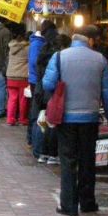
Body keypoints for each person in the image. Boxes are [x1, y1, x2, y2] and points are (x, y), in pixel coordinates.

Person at [42, 25, 108, 216]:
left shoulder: (59, 56)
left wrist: (59, 93)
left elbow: (48, 84)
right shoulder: (100, 60)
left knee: (67, 160)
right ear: (90, 40)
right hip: (90, 118)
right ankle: (87, 202)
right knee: (87, 160)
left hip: (66, 117)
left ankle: (68, 205)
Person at [34, 33, 72, 165]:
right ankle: (52, 154)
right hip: (54, 94)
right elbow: (51, 81)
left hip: (42, 93)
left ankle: (41, 152)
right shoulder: (58, 57)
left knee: (43, 123)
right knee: (53, 125)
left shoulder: (44, 53)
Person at [28, 20, 57, 150]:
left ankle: (37, 146)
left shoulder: (41, 45)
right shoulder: (40, 45)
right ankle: (39, 147)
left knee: (39, 115)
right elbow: (35, 64)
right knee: (41, 116)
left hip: (38, 82)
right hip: (40, 83)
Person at [5, 26, 29, 126]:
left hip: (10, 75)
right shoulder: (28, 48)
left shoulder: (11, 46)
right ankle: (22, 119)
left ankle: (10, 119)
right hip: (23, 76)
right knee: (23, 99)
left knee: (12, 98)